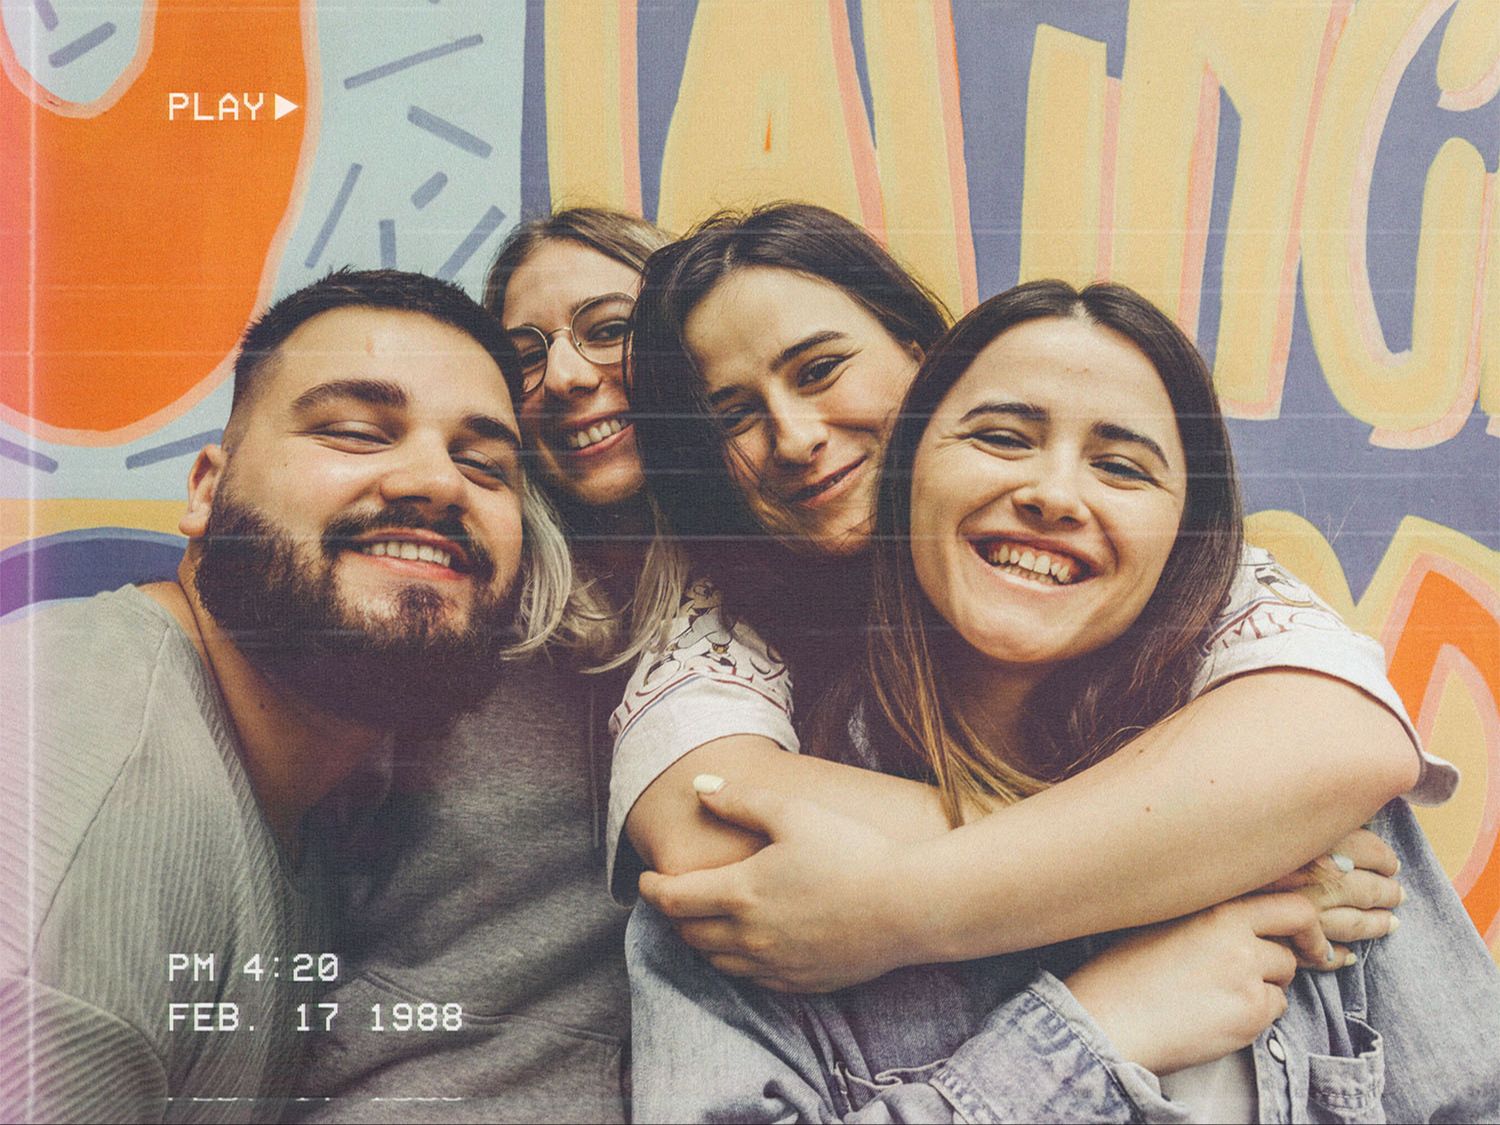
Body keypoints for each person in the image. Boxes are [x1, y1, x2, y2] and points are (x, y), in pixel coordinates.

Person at [626, 280, 1500, 1123]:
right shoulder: (765, 884)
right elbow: (694, 809)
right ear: (910, 465)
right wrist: (1093, 1034)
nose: (1053, 494)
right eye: (1002, 438)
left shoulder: (1307, 806)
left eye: (1121, 466)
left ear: (1185, 537)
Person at [0, 269, 573, 1124]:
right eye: (355, 432)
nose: (438, 481)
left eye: (484, 464)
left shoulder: (309, 794)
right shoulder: (78, 843)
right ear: (207, 488)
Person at [293, 210, 672, 1122]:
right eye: (525, 355)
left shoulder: (792, 610)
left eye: (609, 329)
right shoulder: (450, 612)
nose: (567, 376)